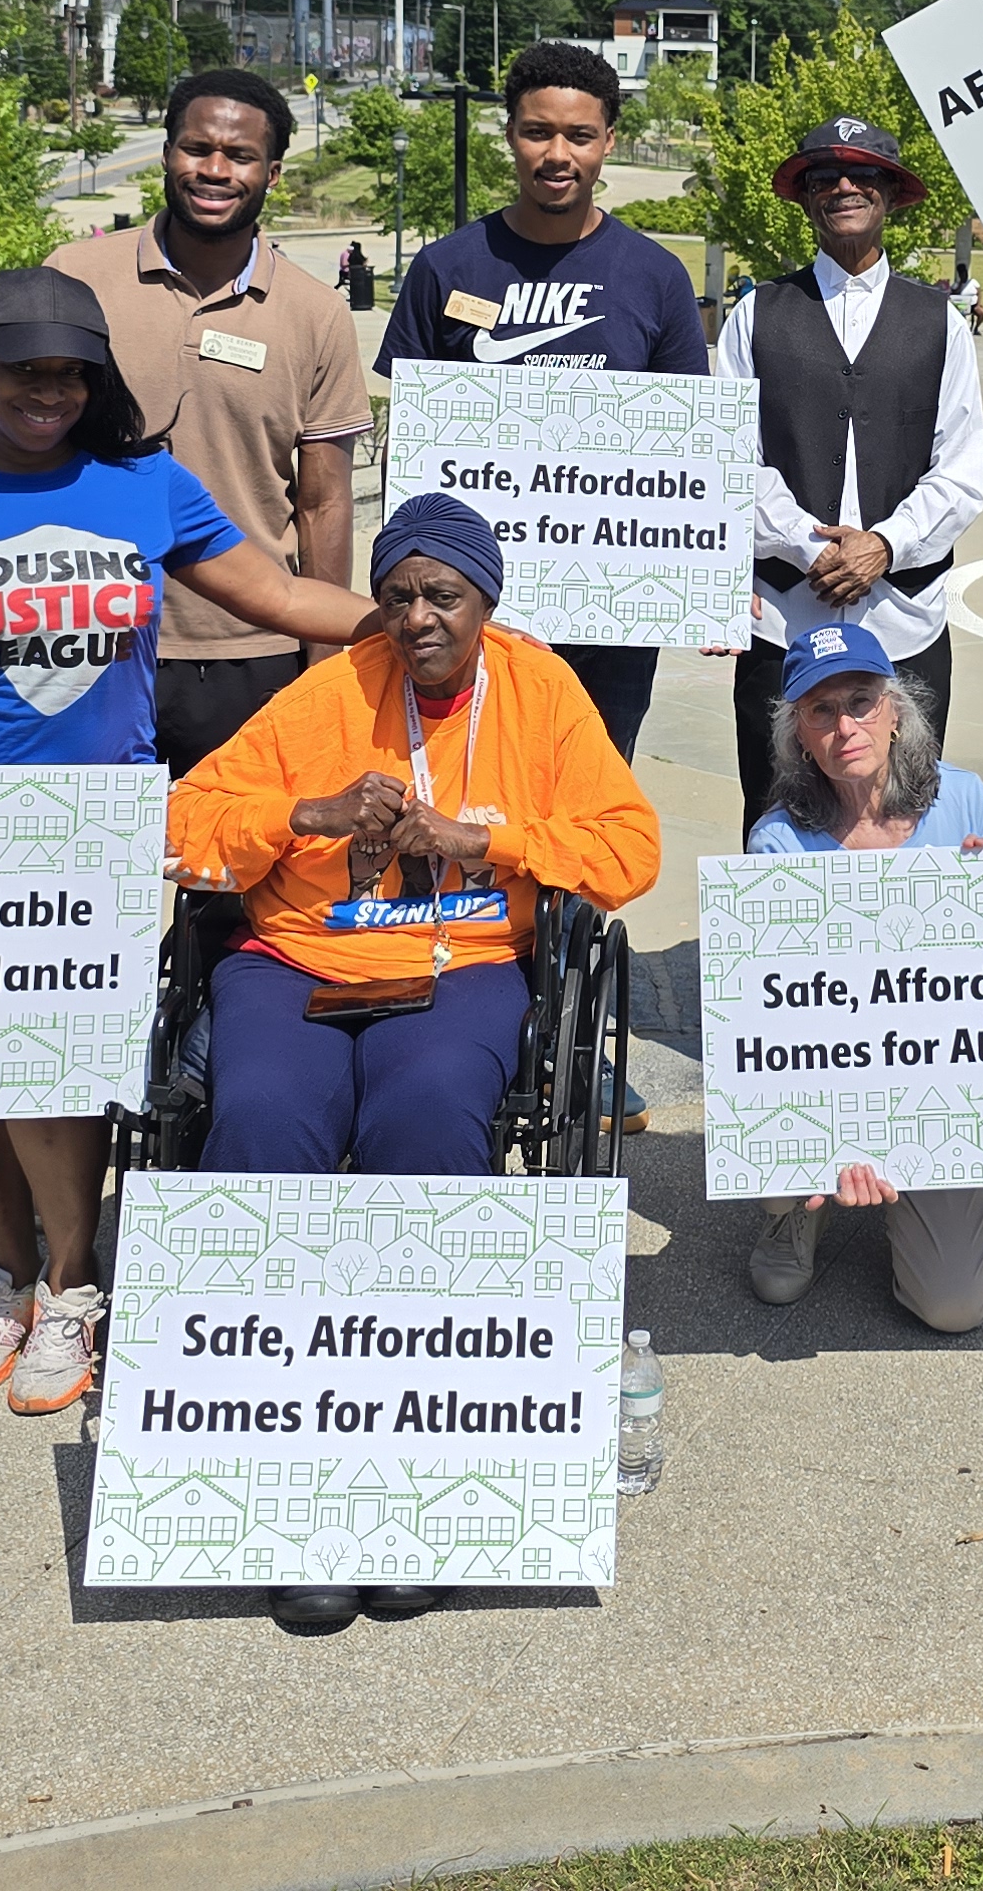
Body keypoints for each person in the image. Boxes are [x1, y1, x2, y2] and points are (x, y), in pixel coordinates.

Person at [0, 270, 374, 1420]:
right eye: (25, 370)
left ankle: (71, 1286)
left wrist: (422, 612)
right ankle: (3, 1281)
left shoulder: (141, 484)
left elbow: (273, 593)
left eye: (71, 372)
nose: (49, 393)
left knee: (54, 1060)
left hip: (92, 822)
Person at [165, 493, 659, 1635]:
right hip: (299, 956)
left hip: (466, 958)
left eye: (443, 596)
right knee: (261, 1121)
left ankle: (427, 1467)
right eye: (396, 597)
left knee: (432, 1113)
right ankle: (277, 1484)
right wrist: (310, 812)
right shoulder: (335, 687)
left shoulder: (540, 692)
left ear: (486, 600)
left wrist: (490, 840)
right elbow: (190, 819)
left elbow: (630, 846)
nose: (418, 617)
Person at [373, 42, 709, 759]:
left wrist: (703, 580)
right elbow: (409, 444)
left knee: (587, 803)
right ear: (510, 137)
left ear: (608, 142)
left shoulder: (656, 277)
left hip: (611, 612)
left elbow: (689, 453)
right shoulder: (446, 267)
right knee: (466, 799)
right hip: (466, 613)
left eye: (580, 136)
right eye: (538, 132)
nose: (558, 154)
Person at [51, 69, 366, 774]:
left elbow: (324, 503)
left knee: (240, 880)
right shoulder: (74, 277)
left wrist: (324, 666)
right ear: (167, 153)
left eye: (240, 155)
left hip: (249, 652)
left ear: (273, 172)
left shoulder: (315, 314)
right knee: (88, 879)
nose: (215, 170)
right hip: (83, 642)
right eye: (197, 148)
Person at [739, 623, 983, 1333]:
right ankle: (789, 1214)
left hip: (945, 1077)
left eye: (861, 702)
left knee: (954, 1309)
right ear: (798, 733)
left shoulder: (965, 801)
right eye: (820, 711)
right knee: (769, 1104)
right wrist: (843, 1130)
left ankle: (940, 1198)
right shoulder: (778, 840)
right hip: (830, 1072)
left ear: (897, 712)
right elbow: (777, 1018)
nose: (845, 726)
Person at [714, 116, 983, 828]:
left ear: (891, 194)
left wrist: (884, 546)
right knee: (776, 808)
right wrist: (813, 547)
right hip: (785, 617)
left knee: (906, 811)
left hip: (906, 621)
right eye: (823, 177)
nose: (843, 187)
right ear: (804, 199)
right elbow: (735, 459)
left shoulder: (941, 322)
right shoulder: (754, 316)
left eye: (863, 173)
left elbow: (960, 472)